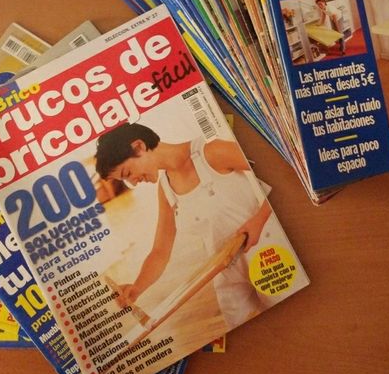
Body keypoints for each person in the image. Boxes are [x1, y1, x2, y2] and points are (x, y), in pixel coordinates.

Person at [95, 122, 273, 328]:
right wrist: (136, 289)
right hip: (226, 274)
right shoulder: (165, 189)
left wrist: (259, 220)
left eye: (127, 173)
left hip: (268, 254)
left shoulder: (211, 152)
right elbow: (160, 251)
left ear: (139, 147)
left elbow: (276, 169)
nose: (133, 183)